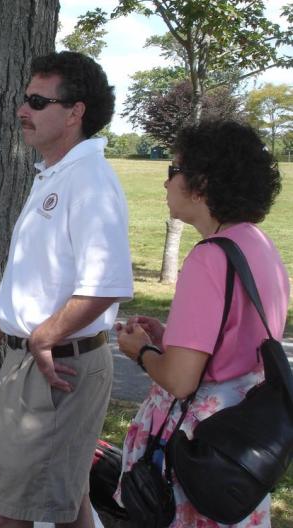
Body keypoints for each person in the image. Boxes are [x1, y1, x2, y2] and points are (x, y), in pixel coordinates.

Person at [0, 51, 133, 528]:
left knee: (13, 515)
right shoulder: (56, 172)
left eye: (38, 101)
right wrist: (9, 316)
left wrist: (43, 334)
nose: (23, 110)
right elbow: (52, 268)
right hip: (37, 364)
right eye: (25, 99)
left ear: (75, 112)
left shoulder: (87, 179)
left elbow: (106, 285)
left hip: (57, 368)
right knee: (66, 502)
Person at [114, 120, 288, 527]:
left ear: (202, 183)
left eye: (173, 171)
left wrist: (140, 351)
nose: (166, 184)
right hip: (239, 443)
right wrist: (168, 338)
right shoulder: (258, 245)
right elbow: (234, 339)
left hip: (198, 447)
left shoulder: (209, 258)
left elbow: (179, 380)